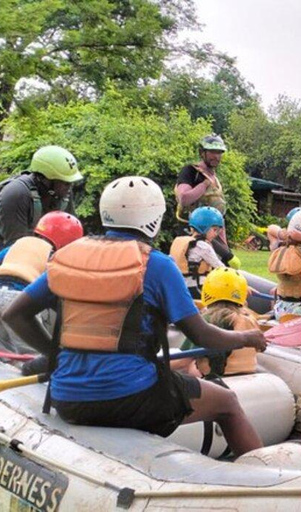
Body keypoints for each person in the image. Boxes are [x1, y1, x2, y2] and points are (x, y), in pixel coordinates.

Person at [3, 176, 267, 456]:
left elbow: (15, 315)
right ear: (154, 218)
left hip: (67, 397)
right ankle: (267, 484)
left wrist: (55, 354)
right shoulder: (158, 265)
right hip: (131, 396)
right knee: (227, 402)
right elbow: (203, 335)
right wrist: (246, 337)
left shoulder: (67, 256)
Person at [0, 211, 83, 354]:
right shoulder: (54, 257)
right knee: (31, 354)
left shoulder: (17, 245)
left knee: (4, 354)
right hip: (17, 300)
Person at [179, 267, 259, 378]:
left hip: (218, 377)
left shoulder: (208, 319)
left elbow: (183, 360)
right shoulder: (250, 318)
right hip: (249, 373)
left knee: (191, 365)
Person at [175, 134, 240, 269]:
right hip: (194, 235)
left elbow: (219, 217)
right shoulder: (191, 172)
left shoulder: (215, 178)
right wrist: (204, 184)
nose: (216, 156)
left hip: (213, 236)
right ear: (202, 152)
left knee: (230, 265)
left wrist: (224, 246)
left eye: (219, 152)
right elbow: (184, 198)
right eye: (212, 152)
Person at [0, 146, 82, 248]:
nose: (69, 187)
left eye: (70, 183)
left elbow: (71, 236)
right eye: (65, 183)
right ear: (44, 179)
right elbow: (15, 248)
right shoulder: (16, 193)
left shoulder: (62, 193)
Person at [170, 206, 226, 299]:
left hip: (179, 287)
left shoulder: (182, 241)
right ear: (204, 227)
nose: (216, 234)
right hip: (196, 289)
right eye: (214, 230)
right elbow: (220, 268)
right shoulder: (203, 247)